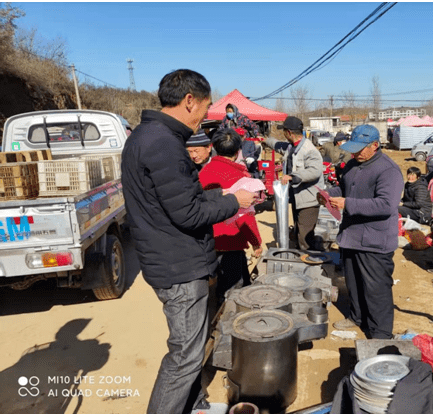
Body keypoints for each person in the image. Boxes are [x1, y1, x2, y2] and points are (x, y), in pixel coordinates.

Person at [121, 69, 256, 414]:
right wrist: (234, 202)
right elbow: (188, 215)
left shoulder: (145, 136)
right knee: (185, 356)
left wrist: (222, 194)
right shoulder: (164, 143)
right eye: (206, 107)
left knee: (191, 347)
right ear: (189, 101)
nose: (206, 116)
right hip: (178, 266)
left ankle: (193, 404)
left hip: (167, 257)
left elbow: (179, 202)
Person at [318, 125, 404, 339]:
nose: (355, 153)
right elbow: (346, 189)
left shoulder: (388, 170)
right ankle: (357, 317)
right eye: (353, 149)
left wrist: (348, 204)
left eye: (360, 149)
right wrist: (329, 194)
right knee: (353, 282)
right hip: (351, 236)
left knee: (376, 289)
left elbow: (386, 205)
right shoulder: (351, 165)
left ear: (375, 145)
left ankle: (380, 332)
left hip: (374, 240)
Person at [198, 128, 263, 303]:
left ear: (214, 148)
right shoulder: (241, 176)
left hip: (207, 244)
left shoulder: (203, 173)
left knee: (213, 290)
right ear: (237, 152)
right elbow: (245, 216)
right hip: (231, 243)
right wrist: (256, 241)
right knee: (233, 295)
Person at [266, 116, 324, 251]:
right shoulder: (291, 147)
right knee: (298, 231)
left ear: (289, 133)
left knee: (304, 237)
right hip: (298, 199)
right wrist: (264, 139)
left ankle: (307, 263)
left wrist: (293, 177)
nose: (283, 134)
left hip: (309, 201)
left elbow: (315, 171)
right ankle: (300, 257)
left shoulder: (309, 150)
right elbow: (277, 144)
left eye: (284, 131)